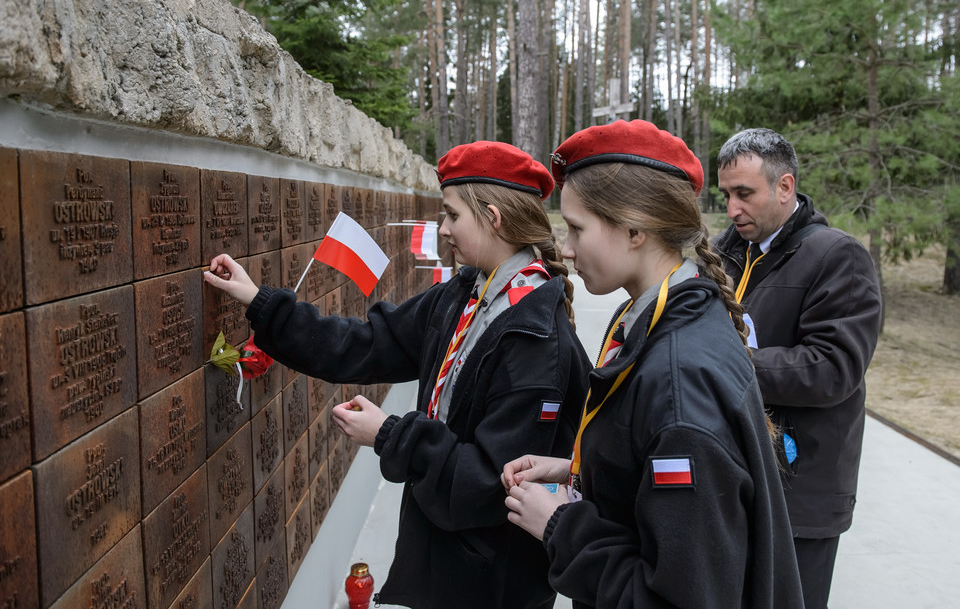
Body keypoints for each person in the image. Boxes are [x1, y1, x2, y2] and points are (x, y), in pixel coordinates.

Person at [203, 140, 591, 609]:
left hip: (489, 583)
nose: (443, 229)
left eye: (452, 216)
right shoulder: (465, 294)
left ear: (493, 217)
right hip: (445, 559)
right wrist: (260, 302)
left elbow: (489, 482)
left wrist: (389, 434)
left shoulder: (537, 341)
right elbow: (367, 344)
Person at [501, 119, 804, 608]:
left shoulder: (677, 379)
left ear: (635, 228)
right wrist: (579, 471)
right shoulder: (654, 316)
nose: (566, 248)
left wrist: (560, 525)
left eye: (577, 228)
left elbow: (678, 597)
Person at [712, 128, 883, 608]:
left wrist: (726, 364)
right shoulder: (726, 252)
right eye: (725, 194)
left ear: (785, 187)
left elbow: (833, 369)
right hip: (736, 478)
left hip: (799, 490)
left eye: (744, 194)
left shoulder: (837, 256)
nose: (732, 209)